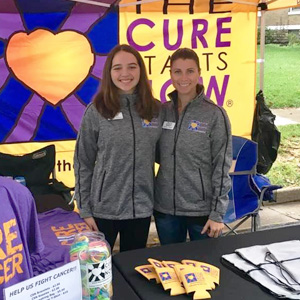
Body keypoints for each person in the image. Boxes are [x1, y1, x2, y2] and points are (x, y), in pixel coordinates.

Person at [74, 44, 162, 252]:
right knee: (98, 271)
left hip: (140, 208)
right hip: (103, 209)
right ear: (109, 73)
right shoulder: (96, 110)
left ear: (141, 70)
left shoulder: (156, 109)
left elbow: (164, 153)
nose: (125, 73)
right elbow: (83, 162)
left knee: (133, 271)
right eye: (117, 68)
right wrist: (85, 209)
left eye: (132, 67)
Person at [154, 48, 232, 245]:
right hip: (166, 209)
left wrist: (217, 213)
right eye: (177, 71)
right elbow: (156, 153)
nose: (183, 77)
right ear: (170, 74)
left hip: (202, 212)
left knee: (205, 268)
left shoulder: (215, 114)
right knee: (170, 268)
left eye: (190, 71)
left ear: (199, 73)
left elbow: (222, 166)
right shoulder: (164, 111)